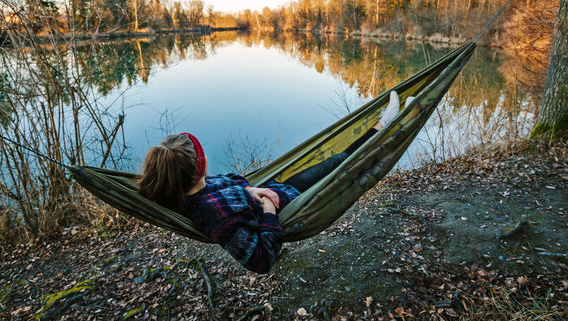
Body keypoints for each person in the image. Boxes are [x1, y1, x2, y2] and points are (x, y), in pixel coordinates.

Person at [138, 92, 400, 273]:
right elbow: (261, 260)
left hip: (276, 190)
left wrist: (251, 189)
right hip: (289, 205)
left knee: (337, 160)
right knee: (343, 164)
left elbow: (232, 180)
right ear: (200, 166)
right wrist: (268, 210)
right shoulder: (215, 216)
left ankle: (383, 125)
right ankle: (386, 127)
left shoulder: (194, 189)